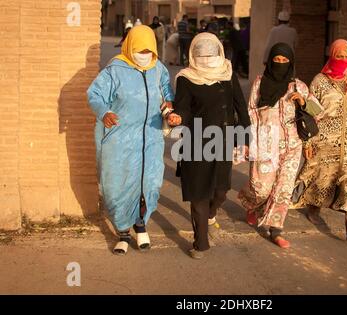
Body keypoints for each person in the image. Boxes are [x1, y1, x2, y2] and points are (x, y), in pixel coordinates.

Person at [87, 25, 174, 255]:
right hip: (121, 140)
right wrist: (104, 112)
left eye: (148, 49)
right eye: (139, 49)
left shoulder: (158, 69)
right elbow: (95, 95)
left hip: (151, 138)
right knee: (118, 184)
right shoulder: (115, 70)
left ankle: (141, 225)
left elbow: (166, 91)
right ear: (129, 46)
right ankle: (123, 232)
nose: (144, 54)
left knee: (150, 182)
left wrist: (169, 106)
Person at [167, 33, 251, 259]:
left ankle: (211, 216)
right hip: (195, 142)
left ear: (219, 52)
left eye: (210, 53)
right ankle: (200, 243)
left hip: (222, 139)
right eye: (201, 54)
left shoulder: (227, 72)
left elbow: (240, 107)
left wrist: (245, 138)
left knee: (221, 191)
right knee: (199, 193)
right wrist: (177, 117)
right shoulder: (186, 77)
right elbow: (183, 107)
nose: (206, 58)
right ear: (193, 54)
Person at [238, 43, 322, 249]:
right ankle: (253, 204)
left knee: (284, 188)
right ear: (270, 61)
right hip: (266, 142)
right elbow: (251, 112)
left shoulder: (299, 86)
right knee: (262, 187)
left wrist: (303, 102)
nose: (281, 64)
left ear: (291, 63)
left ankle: (276, 229)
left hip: (293, 144)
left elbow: (318, 111)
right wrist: (249, 141)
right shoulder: (260, 83)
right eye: (277, 60)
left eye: (285, 61)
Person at [292, 39, 347, 241]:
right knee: (322, 179)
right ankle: (313, 207)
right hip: (326, 141)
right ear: (332, 56)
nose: (344, 60)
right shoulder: (319, 81)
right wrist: (308, 142)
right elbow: (312, 113)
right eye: (339, 56)